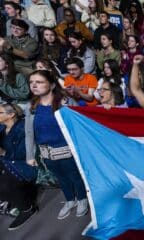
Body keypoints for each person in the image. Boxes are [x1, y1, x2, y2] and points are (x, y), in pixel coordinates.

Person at [26, 70, 88, 220]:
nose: (34, 85)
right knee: (60, 177)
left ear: (52, 85)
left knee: (74, 176)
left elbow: (79, 124)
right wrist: (30, 155)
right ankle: (69, 200)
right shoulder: (32, 106)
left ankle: (82, 199)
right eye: (31, 82)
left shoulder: (64, 102)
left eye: (39, 82)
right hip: (46, 152)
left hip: (67, 150)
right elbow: (29, 132)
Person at [0, 103, 38, 230]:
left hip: (25, 165)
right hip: (7, 163)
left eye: (0, 113)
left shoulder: (23, 128)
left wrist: (3, 152)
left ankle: (27, 209)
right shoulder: (1, 128)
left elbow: (24, 154)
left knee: (4, 184)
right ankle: (8, 200)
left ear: (11, 115)